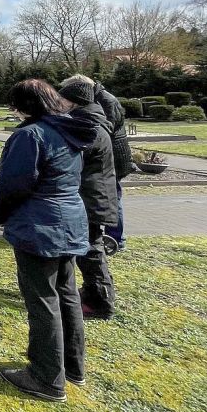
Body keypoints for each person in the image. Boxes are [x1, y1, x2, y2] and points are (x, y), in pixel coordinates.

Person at [0, 79, 96, 402]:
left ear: (27, 106)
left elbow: (14, 185)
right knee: (66, 295)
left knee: (42, 300)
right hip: (69, 223)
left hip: (40, 227)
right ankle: (71, 366)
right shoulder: (69, 131)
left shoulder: (30, 135)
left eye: (16, 105)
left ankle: (46, 377)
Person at [60, 76, 119, 319]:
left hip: (90, 197)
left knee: (91, 251)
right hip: (93, 194)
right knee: (89, 249)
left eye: (62, 98)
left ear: (74, 101)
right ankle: (93, 293)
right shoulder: (91, 120)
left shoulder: (88, 126)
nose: (59, 103)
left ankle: (100, 302)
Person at [92, 81, 133, 250]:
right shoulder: (101, 97)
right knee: (111, 196)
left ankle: (115, 238)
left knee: (113, 198)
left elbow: (107, 127)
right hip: (110, 155)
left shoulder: (107, 100)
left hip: (114, 158)